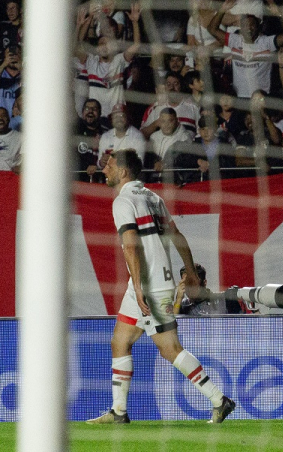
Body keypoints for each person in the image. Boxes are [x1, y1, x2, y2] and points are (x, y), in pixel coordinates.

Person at [86, 149, 235, 424]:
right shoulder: (153, 198)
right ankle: (118, 412)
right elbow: (176, 235)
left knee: (170, 349)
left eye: (109, 166)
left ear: (122, 171)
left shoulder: (123, 201)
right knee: (119, 342)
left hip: (149, 288)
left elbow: (131, 245)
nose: (104, 169)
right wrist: (189, 271)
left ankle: (218, 399)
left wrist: (140, 287)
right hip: (147, 284)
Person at [206, 0, 283, 98]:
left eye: (252, 25)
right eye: (245, 25)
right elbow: (212, 29)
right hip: (240, 98)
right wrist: (222, 10)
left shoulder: (266, 42)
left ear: (259, 27)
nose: (249, 29)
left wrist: (279, 14)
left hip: (261, 98)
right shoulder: (235, 40)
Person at [175, 264, 254, 315]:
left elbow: (241, 330)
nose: (190, 286)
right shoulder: (182, 305)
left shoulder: (226, 300)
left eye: (193, 282)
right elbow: (170, 332)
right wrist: (178, 299)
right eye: (186, 282)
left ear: (204, 282)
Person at [97, 104, 147, 171]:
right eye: (115, 116)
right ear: (111, 120)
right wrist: (101, 162)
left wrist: (114, 160)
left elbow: (139, 164)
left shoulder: (137, 136)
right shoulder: (105, 136)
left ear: (128, 117)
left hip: (132, 179)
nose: (118, 119)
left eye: (121, 115)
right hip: (112, 178)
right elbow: (99, 164)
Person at [76, 98, 107, 182]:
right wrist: (86, 167)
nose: (90, 111)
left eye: (94, 109)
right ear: (82, 113)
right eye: (87, 109)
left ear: (100, 113)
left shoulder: (106, 134)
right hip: (79, 181)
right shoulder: (75, 132)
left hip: (100, 181)